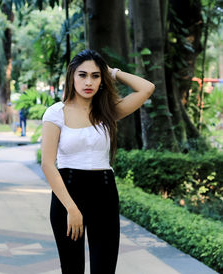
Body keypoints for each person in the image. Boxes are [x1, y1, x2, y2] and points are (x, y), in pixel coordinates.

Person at [41, 49, 155, 274]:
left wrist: (112, 72)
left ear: (102, 80)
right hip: (68, 192)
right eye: (82, 75)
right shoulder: (56, 113)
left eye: (95, 76)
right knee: (72, 268)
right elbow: (47, 163)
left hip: (104, 193)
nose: (88, 82)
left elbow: (147, 88)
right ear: (72, 76)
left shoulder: (107, 112)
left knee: (104, 269)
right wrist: (72, 209)